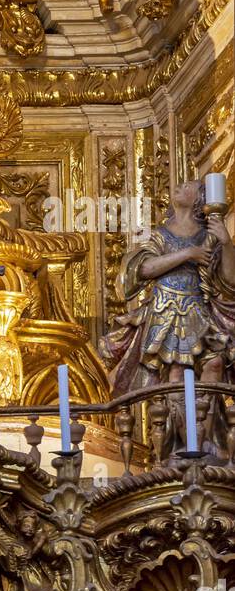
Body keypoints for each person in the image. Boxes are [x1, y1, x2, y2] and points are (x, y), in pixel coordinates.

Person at [101, 178, 235, 454]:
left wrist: (227, 242)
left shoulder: (208, 234)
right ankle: (181, 446)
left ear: (199, 199)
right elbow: (145, 269)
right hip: (166, 313)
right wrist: (189, 253)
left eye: (187, 186)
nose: (178, 186)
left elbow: (230, 281)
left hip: (199, 312)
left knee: (215, 364)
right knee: (176, 374)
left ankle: (206, 438)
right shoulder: (161, 235)